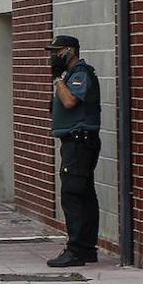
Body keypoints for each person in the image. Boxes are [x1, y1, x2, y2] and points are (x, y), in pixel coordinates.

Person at [46, 34, 102, 268]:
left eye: (57, 51)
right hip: (75, 141)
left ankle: (76, 250)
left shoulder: (80, 73)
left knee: (73, 195)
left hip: (79, 142)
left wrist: (58, 80)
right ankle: (87, 248)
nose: (52, 56)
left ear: (70, 51)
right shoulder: (70, 74)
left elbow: (70, 102)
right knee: (84, 194)